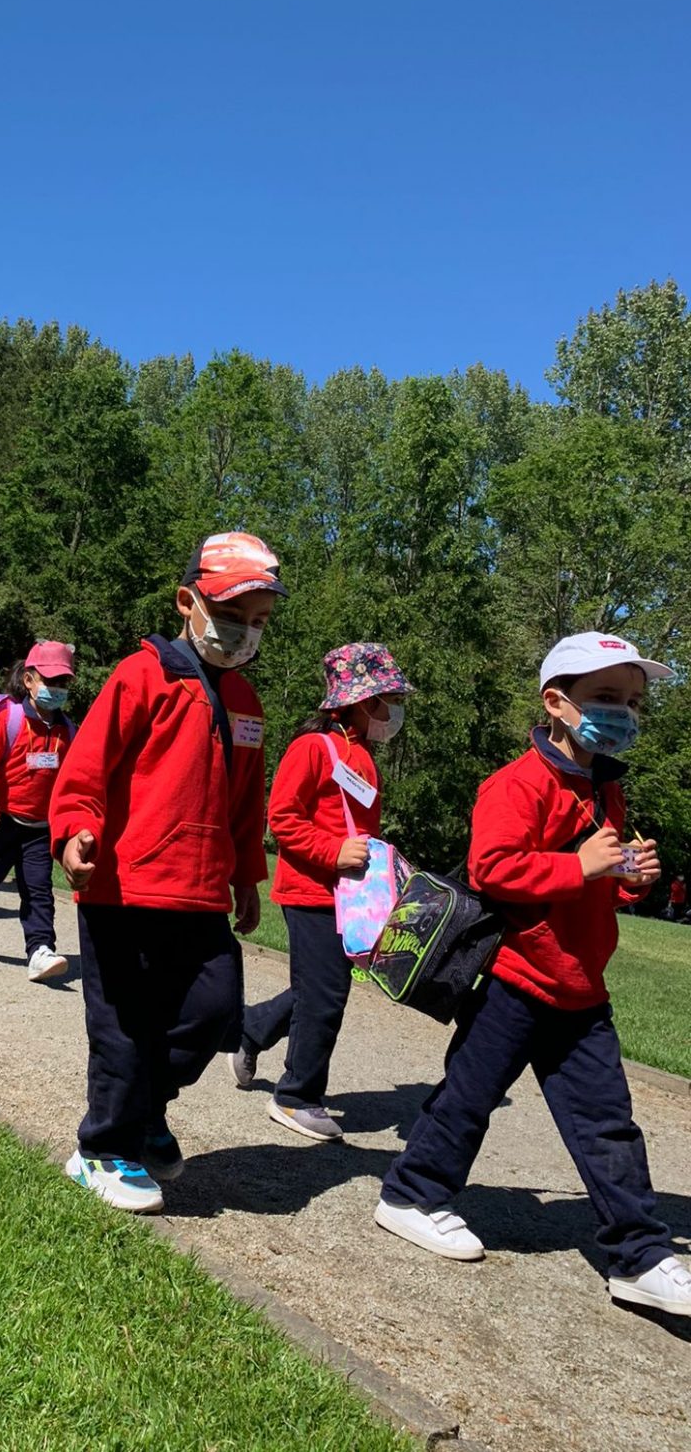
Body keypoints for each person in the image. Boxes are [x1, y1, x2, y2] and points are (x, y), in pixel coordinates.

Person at [376, 632, 691, 1319]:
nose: (625, 712)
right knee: (467, 1098)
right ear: (556, 701)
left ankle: (640, 1254)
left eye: (633, 702)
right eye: (606, 698)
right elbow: (494, 868)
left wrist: (625, 879)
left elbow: (594, 887)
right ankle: (411, 1193)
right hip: (515, 981)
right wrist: (579, 864)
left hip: (580, 988)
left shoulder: (606, 791)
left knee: (609, 1123)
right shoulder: (518, 783)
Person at [51, 532, 285, 1213]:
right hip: (123, 890)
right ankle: (101, 1150)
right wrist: (73, 831)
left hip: (203, 895)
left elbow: (247, 803)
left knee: (214, 1012)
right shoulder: (142, 675)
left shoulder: (245, 701)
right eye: (234, 613)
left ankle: (147, 1109)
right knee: (124, 1025)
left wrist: (246, 876)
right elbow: (87, 766)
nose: (246, 632)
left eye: (260, 620)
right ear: (189, 601)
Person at [228, 643, 414, 1142]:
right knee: (327, 994)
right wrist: (333, 853)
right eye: (386, 698)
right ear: (355, 701)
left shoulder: (365, 757)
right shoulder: (313, 748)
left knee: (321, 990)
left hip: (350, 899)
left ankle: (251, 1030)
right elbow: (283, 818)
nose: (394, 710)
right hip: (310, 891)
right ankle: (295, 1097)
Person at [0, 643, 76, 979]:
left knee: (38, 890)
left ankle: (40, 949)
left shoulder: (67, 729)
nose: (57, 689)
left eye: (64, 682)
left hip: (39, 827)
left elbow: (69, 777)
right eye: (50, 680)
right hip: (0, 821)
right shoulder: (8, 717)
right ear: (30, 679)